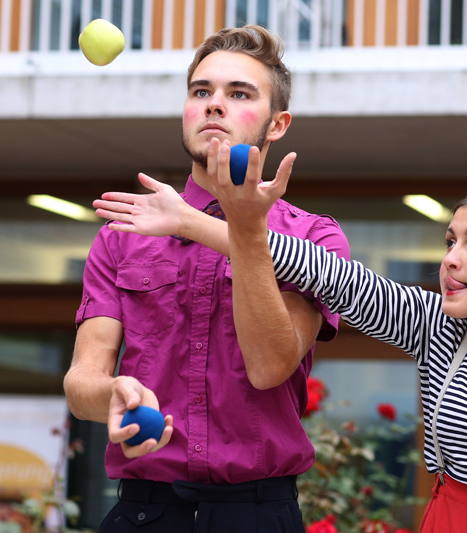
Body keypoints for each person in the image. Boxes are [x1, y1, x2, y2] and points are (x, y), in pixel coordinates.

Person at [94, 155, 467, 532]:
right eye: (450, 241)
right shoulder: (434, 325)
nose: (452, 258)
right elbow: (323, 272)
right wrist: (192, 222)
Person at [63, 25, 350, 532]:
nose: (214, 104)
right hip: (143, 511)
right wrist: (112, 392)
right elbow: (81, 379)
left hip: (257, 514)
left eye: (239, 94)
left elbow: (269, 365)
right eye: (202, 92)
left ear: (276, 124)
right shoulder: (121, 236)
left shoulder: (314, 238)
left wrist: (217, 226)